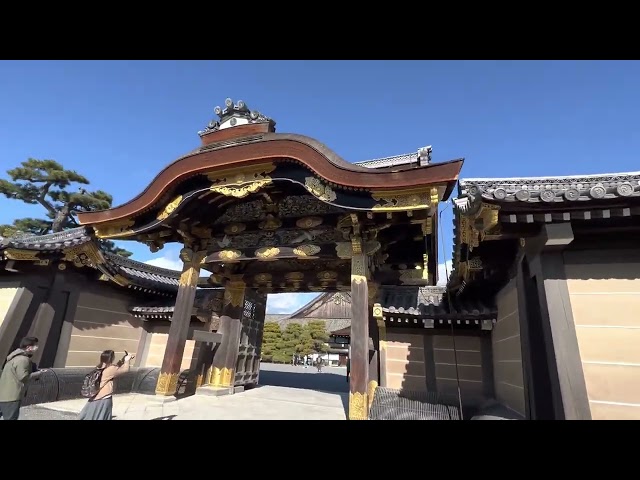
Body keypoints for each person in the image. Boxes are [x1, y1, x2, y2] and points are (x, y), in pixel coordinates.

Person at [78, 349, 134, 420]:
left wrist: (122, 360)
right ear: (112, 358)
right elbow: (125, 369)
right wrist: (127, 360)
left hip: (95, 397)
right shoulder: (110, 369)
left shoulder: (100, 367)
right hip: (103, 398)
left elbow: (115, 368)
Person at [0, 336, 39, 420]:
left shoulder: (13, 358)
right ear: (28, 347)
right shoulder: (23, 360)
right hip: (12, 396)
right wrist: (38, 374)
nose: (37, 348)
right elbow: (23, 377)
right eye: (35, 345)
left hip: (3, 394)